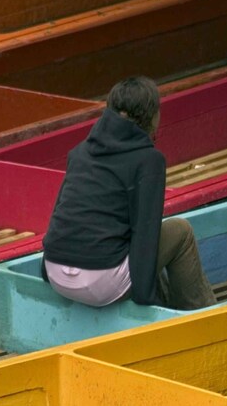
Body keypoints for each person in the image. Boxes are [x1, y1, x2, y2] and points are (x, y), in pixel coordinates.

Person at [42, 76, 217, 310]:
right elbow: (146, 231)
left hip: (56, 274)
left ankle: (170, 306)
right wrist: (145, 299)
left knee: (126, 242)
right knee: (180, 232)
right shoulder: (148, 161)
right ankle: (203, 316)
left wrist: (46, 268)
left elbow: (61, 215)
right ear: (152, 116)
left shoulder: (80, 152)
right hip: (100, 282)